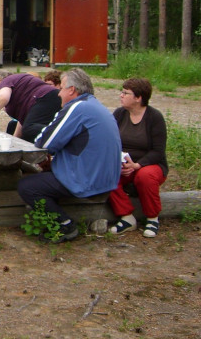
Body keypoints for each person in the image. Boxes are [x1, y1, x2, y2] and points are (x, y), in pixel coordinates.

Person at [17, 69, 121, 243]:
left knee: (27, 186)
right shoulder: (95, 106)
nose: (59, 93)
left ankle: (65, 224)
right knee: (42, 175)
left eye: (62, 88)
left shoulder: (77, 107)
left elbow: (44, 142)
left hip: (87, 180)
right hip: (106, 178)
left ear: (72, 90)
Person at [108, 78, 168, 238]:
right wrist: (119, 164)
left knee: (145, 176)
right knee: (107, 174)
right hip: (124, 163)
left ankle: (152, 218)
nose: (121, 95)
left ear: (138, 98)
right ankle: (126, 216)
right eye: (122, 92)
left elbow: (158, 151)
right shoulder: (120, 114)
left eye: (125, 93)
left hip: (149, 164)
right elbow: (111, 142)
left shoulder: (154, 117)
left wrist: (137, 165)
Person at [0, 71, 61, 142]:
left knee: (30, 129)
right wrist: (14, 140)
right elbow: (22, 121)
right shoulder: (19, 87)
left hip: (45, 97)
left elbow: (2, 98)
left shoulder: (6, 81)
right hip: (50, 98)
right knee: (29, 130)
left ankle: (61, 133)